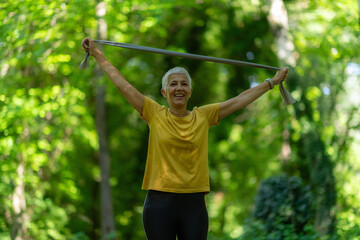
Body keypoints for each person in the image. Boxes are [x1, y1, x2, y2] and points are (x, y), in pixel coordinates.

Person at [81, 37, 288, 240]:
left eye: (183, 84)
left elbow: (240, 99)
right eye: (173, 84)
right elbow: (123, 86)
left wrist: (271, 82)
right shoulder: (154, 113)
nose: (178, 88)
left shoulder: (204, 116)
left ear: (190, 91)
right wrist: (97, 53)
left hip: (194, 205)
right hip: (159, 204)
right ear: (164, 92)